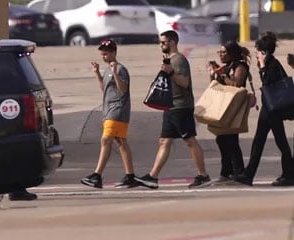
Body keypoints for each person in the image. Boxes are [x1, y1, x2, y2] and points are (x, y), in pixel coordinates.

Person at [135, 30, 212, 189]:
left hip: (181, 107)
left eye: (163, 42)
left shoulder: (179, 60)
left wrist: (170, 73)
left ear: (172, 42)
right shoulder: (170, 60)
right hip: (170, 107)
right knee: (164, 141)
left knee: (190, 140)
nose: (161, 45)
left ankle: (203, 175)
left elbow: (184, 82)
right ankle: (153, 176)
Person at [234, 32, 294, 186]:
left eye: (257, 51)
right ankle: (249, 174)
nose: (255, 53)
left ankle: (289, 175)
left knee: (280, 142)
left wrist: (262, 66)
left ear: (263, 52)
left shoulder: (272, 65)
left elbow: (268, 85)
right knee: (259, 141)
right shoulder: (271, 63)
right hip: (269, 109)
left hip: (274, 110)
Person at [81, 39, 138, 189]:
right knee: (120, 142)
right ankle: (130, 176)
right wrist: (98, 74)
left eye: (106, 54)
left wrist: (115, 73)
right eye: (102, 54)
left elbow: (123, 89)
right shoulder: (108, 70)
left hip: (117, 110)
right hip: (109, 110)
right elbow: (105, 89)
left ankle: (97, 175)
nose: (104, 57)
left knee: (106, 140)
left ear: (114, 53)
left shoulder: (120, 69)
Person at [206, 41, 250, 183]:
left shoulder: (240, 66)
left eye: (224, 52)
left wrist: (223, 75)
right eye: (219, 52)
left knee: (231, 139)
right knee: (222, 138)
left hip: (234, 107)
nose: (221, 55)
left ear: (232, 53)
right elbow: (215, 86)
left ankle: (238, 171)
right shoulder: (225, 68)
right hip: (224, 107)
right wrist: (213, 75)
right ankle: (227, 171)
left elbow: (236, 84)